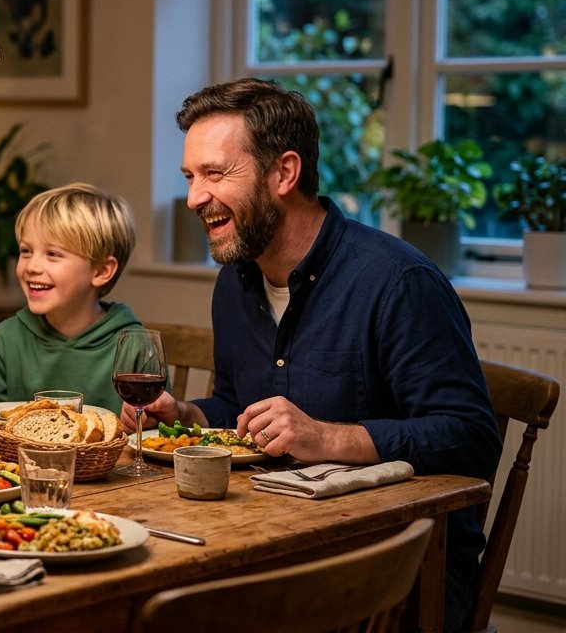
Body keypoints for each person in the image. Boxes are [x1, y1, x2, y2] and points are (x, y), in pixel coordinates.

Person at [123, 77, 500, 632]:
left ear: (284, 173)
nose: (194, 198)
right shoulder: (235, 283)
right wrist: (187, 417)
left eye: (215, 174)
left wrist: (331, 438)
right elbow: (237, 406)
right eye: (190, 176)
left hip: (401, 567)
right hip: (275, 541)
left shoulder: (397, 281)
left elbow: (472, 437)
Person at [0, 182, 143, 413]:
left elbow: (153, 436)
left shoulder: (135, 346)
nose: (31, 266)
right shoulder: (5, 339)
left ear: (102, 271)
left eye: (52, 254)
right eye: (26, 251)